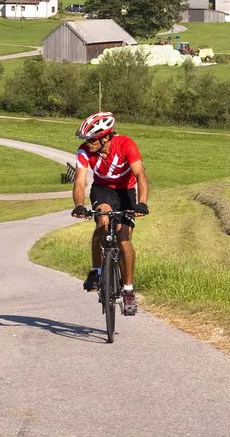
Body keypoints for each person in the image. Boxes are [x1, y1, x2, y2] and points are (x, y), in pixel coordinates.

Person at [70, 111, 149, 316]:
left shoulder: (126, 145)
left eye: (92, 139)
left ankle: (129, 290)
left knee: (123, 240)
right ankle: (96, 272)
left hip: (126, 191)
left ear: (106, 136)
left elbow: (140, 175)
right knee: (102, 222)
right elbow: (79, 182)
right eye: (86, 140)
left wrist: (142, 203)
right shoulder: (84, 151)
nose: (88, 143)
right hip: (102, 190)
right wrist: (79, 205)